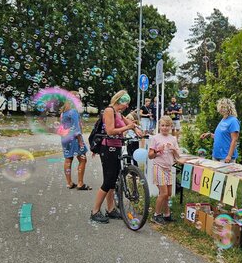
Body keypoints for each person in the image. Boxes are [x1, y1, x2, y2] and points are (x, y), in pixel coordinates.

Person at [91, 90, 142, 223]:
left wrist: (135, 129)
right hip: (108, 148)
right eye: (126, 103)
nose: (127, 106)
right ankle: (95, 211)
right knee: (108, 180)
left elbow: (129, 124)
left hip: (117, 146)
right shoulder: (109, 111)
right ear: (120, 101)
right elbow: (110, 131)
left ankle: (111, 209)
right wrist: (127, 128)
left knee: (113, 180)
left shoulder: (119, 113)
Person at [148, 115, 180, 225]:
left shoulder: (173, 139)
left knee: (169, 193)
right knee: (164, 193)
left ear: (171, 126)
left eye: (167, 125)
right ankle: (156, 215)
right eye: (162, 125)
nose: (165, 128)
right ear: (159, 126)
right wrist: (157, 150)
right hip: (158, 167)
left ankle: (167, 215)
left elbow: (177, 157)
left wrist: (174, 149)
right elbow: (150, 156)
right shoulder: (155, 138)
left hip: (168, 169)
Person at [59, 92, 91, 190]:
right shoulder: (73, 111)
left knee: (68, 158)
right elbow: (76, 129)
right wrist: (81, 141)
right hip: (74, 139)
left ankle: (69, 183)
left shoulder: (63, 112)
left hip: (65, 138)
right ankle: (80, 183)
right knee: (83, 159)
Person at [200, 98, 240, 163]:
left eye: (223, 107)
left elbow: (234, 140)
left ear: (229, 107)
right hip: (216, 155)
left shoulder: (233, 121)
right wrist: (209, 134)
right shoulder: (223, 119)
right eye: (220, 107)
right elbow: (221, 137)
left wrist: (229, 156)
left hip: (225, 157)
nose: (221, 109)